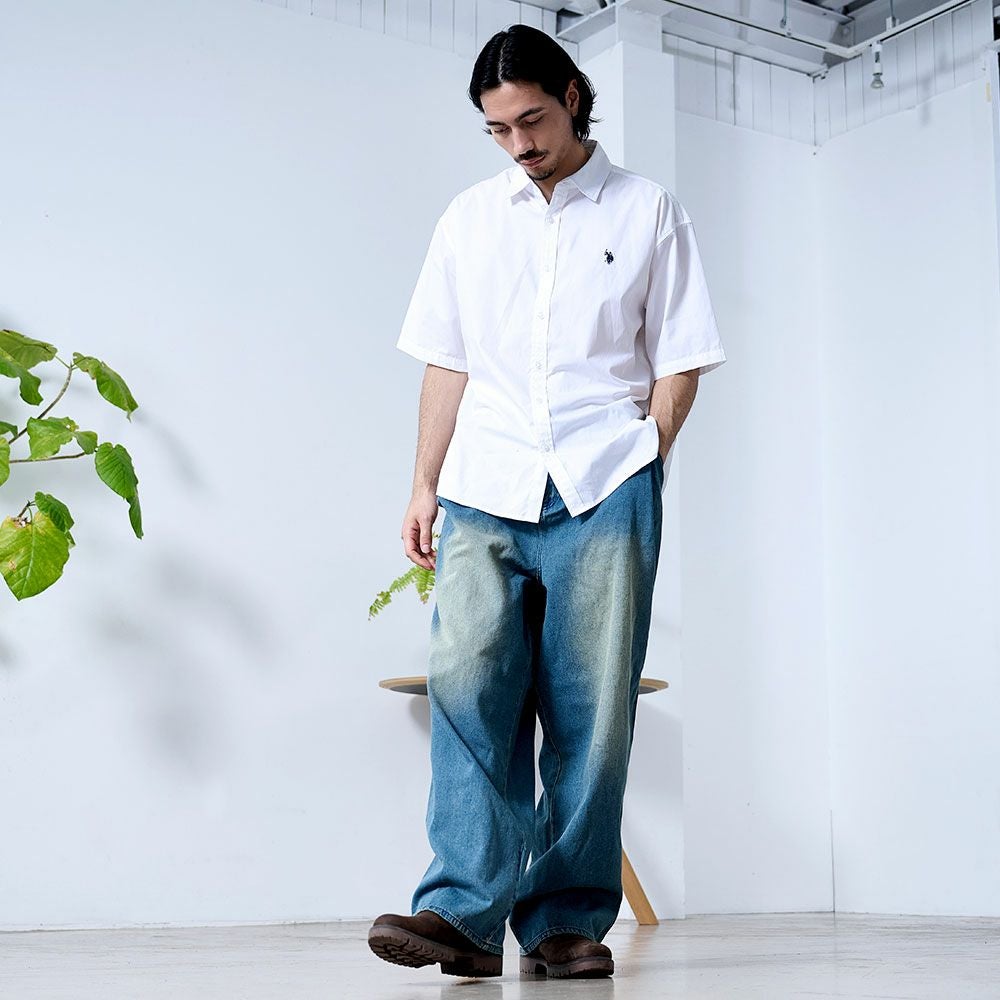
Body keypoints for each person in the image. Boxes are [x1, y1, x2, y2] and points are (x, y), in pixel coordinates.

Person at [368, 23, 727, 980]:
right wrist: (422, 483)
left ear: (572, 96)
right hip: (483, 486)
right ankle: (461, 915)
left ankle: (565, 921)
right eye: (497, 129)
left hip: (605, 482)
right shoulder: (467, 220)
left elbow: (683, 355)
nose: (518, 144)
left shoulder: (648, 211)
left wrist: (647, 454)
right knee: (468, 692)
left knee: (591, 711)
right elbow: (447, 360)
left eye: (530, 120)